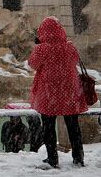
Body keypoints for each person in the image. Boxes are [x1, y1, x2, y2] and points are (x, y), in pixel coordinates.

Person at [28, 17, 88, 168]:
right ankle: (78, 157)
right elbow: (74, 61)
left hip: (49, 92)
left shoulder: (42, 48)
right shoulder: (69, 47)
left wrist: (40, 46)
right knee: (73, 125)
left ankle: (52, 159)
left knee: (48, 126)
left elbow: (32, 64)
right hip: (69, 91)